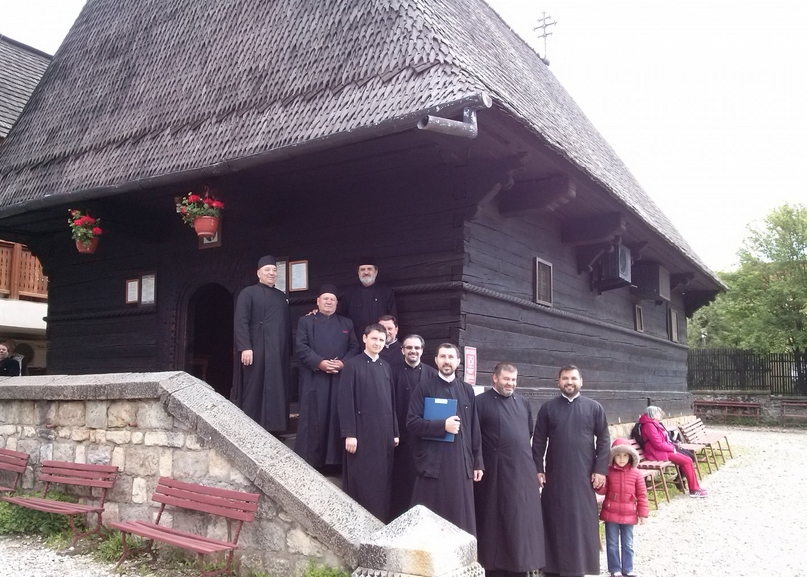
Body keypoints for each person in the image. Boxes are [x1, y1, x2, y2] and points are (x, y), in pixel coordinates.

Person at [532, 365, 610, 577]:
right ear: (558, 382)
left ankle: (581, 566)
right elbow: (538, 441)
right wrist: (537, 468)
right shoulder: (548, 408)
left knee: (581, 522)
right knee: (554, 520)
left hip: (584, 477)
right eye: (565, 378)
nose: (569, 382)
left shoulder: (594, 408)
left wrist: (600, 469)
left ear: (581, 381)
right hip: (555, 477)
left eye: (573, 378)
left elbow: (604, 439)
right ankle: (552, 569)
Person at [474, 363, 545, 577]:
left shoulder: (523, 403)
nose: (510, 383)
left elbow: (528, 434)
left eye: (514, 380)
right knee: (495, 521)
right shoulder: (480, 402)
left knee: (520, 522)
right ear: (495, 378)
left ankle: (521, 567)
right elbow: (474, 437)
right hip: (493, 472)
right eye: (506, 379)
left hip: (521, 471)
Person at [407, 343, 483, 535]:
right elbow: (412, 423)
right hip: (433, 463)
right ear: (436, 360)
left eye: (451, 357)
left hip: (461, 462)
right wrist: (442, 426)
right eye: (442, 357)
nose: (446, 361)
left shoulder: (467, 390)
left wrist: (478, 463)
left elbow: (475, 428)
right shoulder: (423, 388)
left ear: (458, 361)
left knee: (459, 518)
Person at [295, 284, 360, 471]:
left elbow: (354, 347)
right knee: (314, 419)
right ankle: (311, 462)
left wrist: (343, 363)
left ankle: (335, 463)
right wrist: (320, 363)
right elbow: (301, 347)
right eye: (325, 298)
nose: (329, 302)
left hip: (339, 378)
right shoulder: (305, 322)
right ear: (318, 301)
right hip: (315, 378)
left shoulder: (346, 323)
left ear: (337, 303)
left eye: (332, 299)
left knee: (336, 418)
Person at [338, 324, 399, 521]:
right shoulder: (352, 365)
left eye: (381, 340)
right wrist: (350, 433)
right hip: (360, 435)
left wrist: (395, 432)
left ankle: (380, 520)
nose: (378, 343)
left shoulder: (386, 367)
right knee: (362, 480)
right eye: (374, 339)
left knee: (382, 481)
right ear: (365, 339)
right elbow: (345, 401)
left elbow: (391, 402)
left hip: (383, 435)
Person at [234, 255, 292, 434]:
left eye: (274, 270)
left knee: (277, 387)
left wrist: (286, 352)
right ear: (258, 273)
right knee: (254, 386)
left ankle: (276, 428)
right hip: (255, 349)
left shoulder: (281, 297)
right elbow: (241, 321)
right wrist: (245, 347)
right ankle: (250, 427)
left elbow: (286, 326)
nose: (272, 273)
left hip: (276, 352)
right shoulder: (248, 293)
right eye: (268, 270)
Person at [389, 334, 437, 518]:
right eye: (409, 347)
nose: (413, 351)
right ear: (402, 351)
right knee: (401, 480)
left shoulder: (432, 374)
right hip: (399, 436)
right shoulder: (391, 372)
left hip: (424, 437)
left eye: (417, 348)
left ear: (422, 351)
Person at [596, 438, 649, 577]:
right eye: (618, 455)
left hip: (629, 514)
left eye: (625, 455)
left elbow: (642, 495)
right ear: (613, 456)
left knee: (628, 544)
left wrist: (642, 514)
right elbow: (603, 490)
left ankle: (628, 569)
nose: (621, 458)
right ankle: (615, 569)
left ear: (630, 457)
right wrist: (599, 484)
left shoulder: (636, 473)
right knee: (612, 543)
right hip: (610, 513)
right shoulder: (608, 472)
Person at [638, 406, 708, 498]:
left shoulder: (654, 424)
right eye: (658, 413)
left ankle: (695, 488)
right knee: (687, 461)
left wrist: (672, 446)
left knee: (688, 459)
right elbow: (658, 444)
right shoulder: (649, 425)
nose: (660, 414)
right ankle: (694, 490)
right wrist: (672, 448)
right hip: (655, 453)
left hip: (661, 451)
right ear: (653, 414)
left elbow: (664, 441)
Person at [337, 257, 397, 340]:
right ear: (358, 272)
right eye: (362, 269)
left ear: (376, 272)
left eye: (369, 269)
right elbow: (340, 316)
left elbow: (393, 318)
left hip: (378, 341)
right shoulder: (349, 293)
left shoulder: (386, 292)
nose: (366, 272)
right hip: (355, 341)